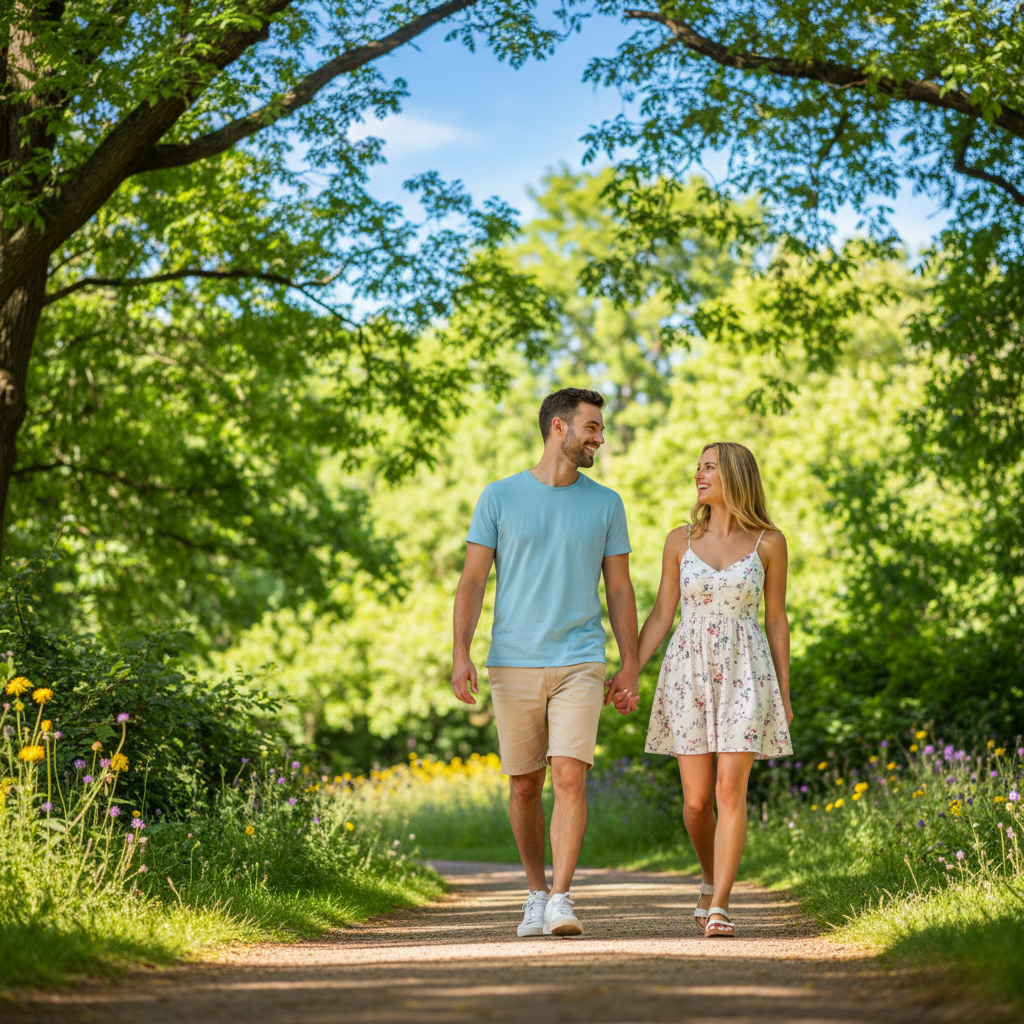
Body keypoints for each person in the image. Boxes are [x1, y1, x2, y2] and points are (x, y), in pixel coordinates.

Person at [450, 387, 640, 938]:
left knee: (570, 775)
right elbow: (472, 581)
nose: (600, 438)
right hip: (513, 661)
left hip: (581, 658)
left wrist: (629, 664)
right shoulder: (499, 497)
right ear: (560, 427)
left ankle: (561, 897)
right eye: (592, 427)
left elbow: (620, 589)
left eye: (600, 429)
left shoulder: (606, 503)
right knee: (525, 784)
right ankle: (535, 892)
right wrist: (461, 652)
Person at [624, 442, 793, 938]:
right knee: (697, 802)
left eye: (709, 468)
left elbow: (777, 620)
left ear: (734, 476)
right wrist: (630, 669)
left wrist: (784, 693)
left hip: (746, 671)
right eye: (698, 467)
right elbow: (662, 613)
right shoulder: (680, 540)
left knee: (729, 791)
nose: (698, 474)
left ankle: (720, 904)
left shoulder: (769, 543)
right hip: (687, 672)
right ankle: (708, 876)